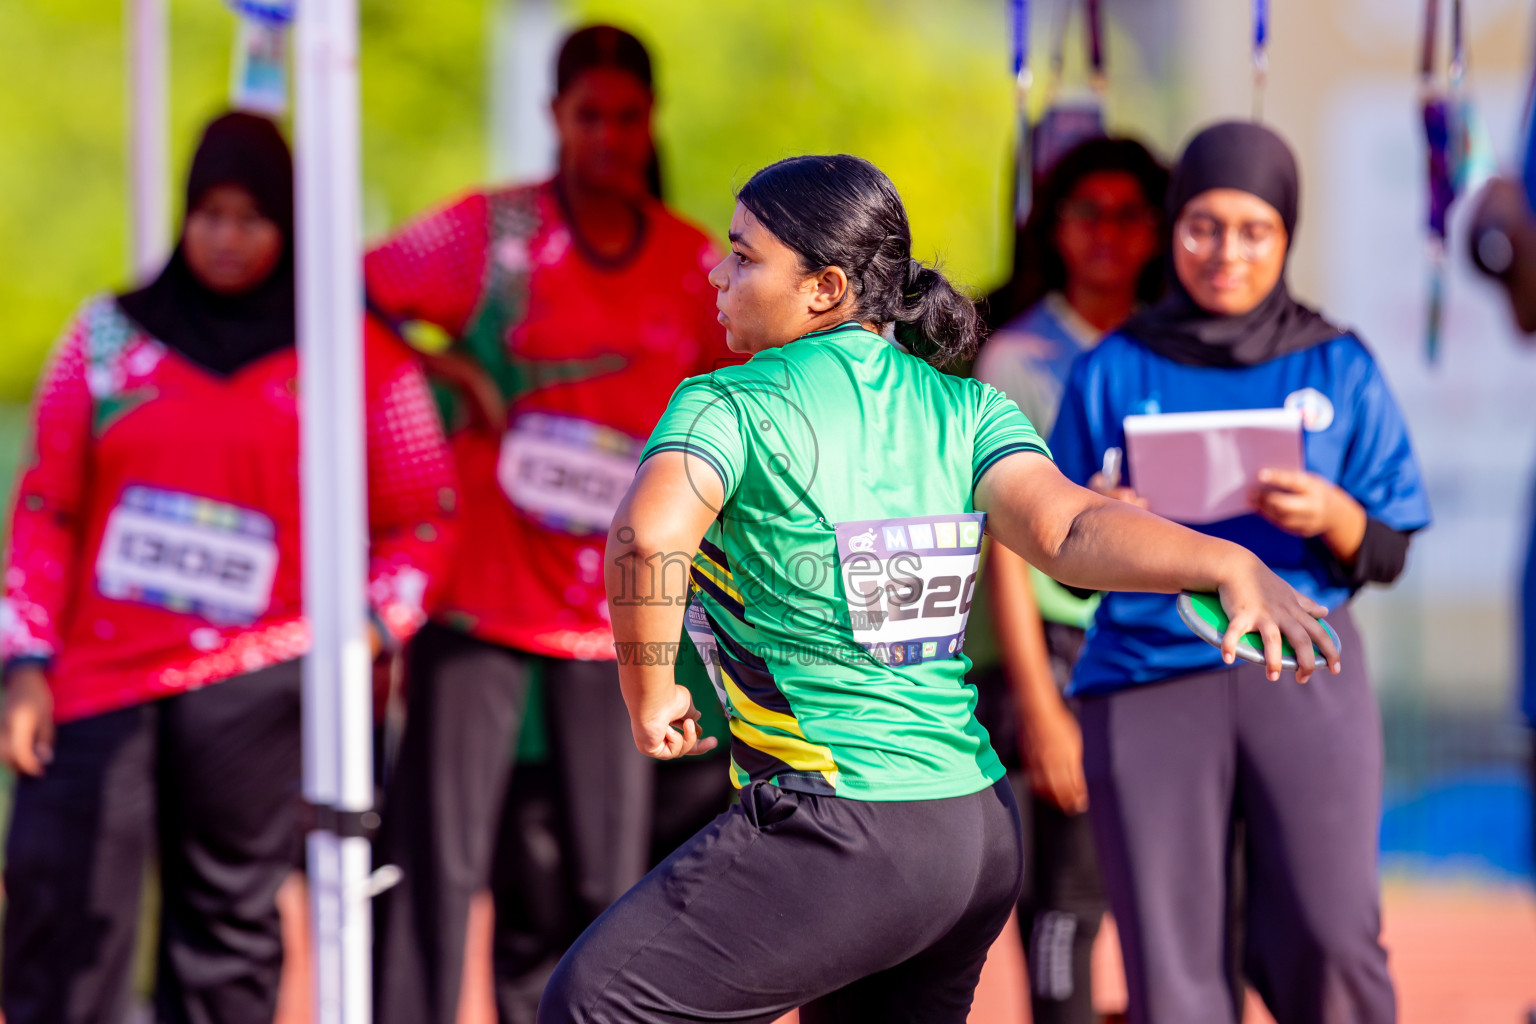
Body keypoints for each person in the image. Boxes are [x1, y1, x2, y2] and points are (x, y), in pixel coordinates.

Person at [536, 152, 1341, 1024]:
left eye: (743, 255)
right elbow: (1069, 531)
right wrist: (1227, 562)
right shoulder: (967, 406)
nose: (717, 271)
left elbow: (647, 535)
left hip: (837, 820)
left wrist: (649, 690)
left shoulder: (727, 403)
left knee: (592, 1006)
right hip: (970, 832)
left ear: (825, 287)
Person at [0, 112, 456, 1024]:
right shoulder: (103, 339)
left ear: (288, 224)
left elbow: (425, 518)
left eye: (252, 216)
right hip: (98, 685)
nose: (228, 236)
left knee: (226, 939)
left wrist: (364, 635)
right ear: (183, 215)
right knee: (61, 914)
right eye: (209, 212)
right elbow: (47, 509)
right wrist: (25, 664)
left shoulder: (354, 358)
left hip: (258, 682)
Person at [364, 25, 734, 1024]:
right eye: (587, 117)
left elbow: (752, 396)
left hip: (619, 616)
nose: (607, 136)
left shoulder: (698, 266)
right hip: (477, 602)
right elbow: (351, 293)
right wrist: (440, 371)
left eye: (625, 117)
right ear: (555, 120)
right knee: (433, 868)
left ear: (650, 122)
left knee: (607, 880)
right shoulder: (494, 236)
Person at [1047, 121, 1432, 1024]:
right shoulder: (1114, 369)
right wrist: (1111, 522)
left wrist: (1333, 516)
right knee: (1173, 968)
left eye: (1254, 230)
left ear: (1287, 236)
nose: (1226, 253)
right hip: (1145, 679)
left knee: (1330, 938)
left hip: (1304, 670)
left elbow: (1390, 546)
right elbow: (1064, 565)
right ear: (1171, 229)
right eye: (1203, 227)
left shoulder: (1339, 362)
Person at [971, 136, 1166, 1024]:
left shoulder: (1178, 345)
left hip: (1169, 649)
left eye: (1129, 214)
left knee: (1190, 904)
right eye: (1087, 213)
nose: (1108, 235)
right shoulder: (1019, 358)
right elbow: (1005, 542)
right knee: (1067, 904)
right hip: (1059, 653)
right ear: (1054, 228)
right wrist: (1042, 708)